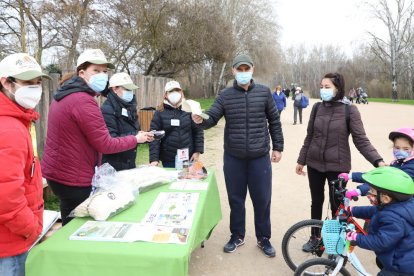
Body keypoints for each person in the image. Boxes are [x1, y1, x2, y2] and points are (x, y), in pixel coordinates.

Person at [41, 49, 154, 225]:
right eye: (96, 70)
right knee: (77, 225)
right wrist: (135, 139)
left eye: (104, 71)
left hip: (59, 172)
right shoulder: (82, 100)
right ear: (82, 72)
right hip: (72, 177)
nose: (102, 75)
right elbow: (105, 144)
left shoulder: (66, 94)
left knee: (69, 217)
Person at [192, 54, 284, 258]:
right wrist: (201, 119)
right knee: (236, 199)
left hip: (259, 157)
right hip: (234, 158)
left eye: (246, 69)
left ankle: (263, 238)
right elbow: (213, 117)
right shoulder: (225, 95)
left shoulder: (264, 92)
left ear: (252, 69)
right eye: (239, 69)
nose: (243, 73)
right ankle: (237, 235)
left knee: (262, 199)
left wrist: (278, 147)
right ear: (233, 71)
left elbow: (274, 121)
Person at [295, 72, 385, 252]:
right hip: (314, 163)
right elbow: (310, 136)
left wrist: (378, 161)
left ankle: (335, 241)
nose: (323, 90)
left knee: (337, 205)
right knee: (316, 201)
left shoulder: (349, 109)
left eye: (327, 87)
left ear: (338, 88)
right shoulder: (317, 108)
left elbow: (361, 140)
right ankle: (315, 236)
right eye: (321, 87)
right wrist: (301, 159)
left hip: (338, 166)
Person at [0, 53, 49, 276]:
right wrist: (32, 229)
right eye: (28, 83)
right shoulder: (8, 128)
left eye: (38, 83)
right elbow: (6, 197)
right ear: (6, 82)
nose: (35, 89)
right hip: (11, 243)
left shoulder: (18, 120)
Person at [346, 167, 414, 276]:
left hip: (402, 266)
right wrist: (352, 211)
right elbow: (373, 211)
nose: (368, 194)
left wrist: (356, 238)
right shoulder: (397, 206)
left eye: (372, 191)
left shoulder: (394, 218)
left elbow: (381, 242)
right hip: (403, 255)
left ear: (386, 198)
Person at [343, 127, 414, 199]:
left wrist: (359, 191)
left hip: (403, 206)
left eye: (406, 149)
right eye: (397, 148)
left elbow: (384, 183)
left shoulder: (411, 167)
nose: (400, 151)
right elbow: (375, 176)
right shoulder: (397, 163)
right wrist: (351, 176)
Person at [149, 80, 204, 168]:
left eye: (177, 90)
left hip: (188, 158)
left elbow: (198, 131)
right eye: (171, 91)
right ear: (166, 95)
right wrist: (154, 159)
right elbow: (154, 136)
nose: (174, 93)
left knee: (188, 180)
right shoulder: (159, 113)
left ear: (181, 92)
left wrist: (197, 151)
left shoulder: (189, 109)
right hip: (169, 159)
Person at [101, 72, 140, 171]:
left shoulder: (129, 108)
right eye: (127, 89)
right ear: (115, 89)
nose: (130, 92)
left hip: (128, 163)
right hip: (113, 168)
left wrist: (143, 136)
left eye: (131, 89)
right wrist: (136, 137)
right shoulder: (107, 110)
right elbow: (111, 140)